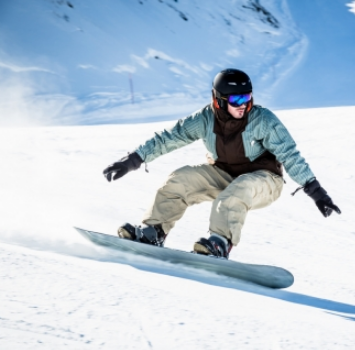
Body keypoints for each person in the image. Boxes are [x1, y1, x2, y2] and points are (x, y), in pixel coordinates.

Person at [103, 68, 341, 258]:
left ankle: (220, 243)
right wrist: (133, 160)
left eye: (247, 97)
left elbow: (290, 154)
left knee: (237, 191)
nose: (243, 105)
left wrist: (316, 192)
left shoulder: (263, 119)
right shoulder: (205, 119)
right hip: (224, 174)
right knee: (180, 179)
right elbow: (169, 138)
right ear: (219, 99)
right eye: (237, 98)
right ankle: (153, 230)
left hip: (264, 180)